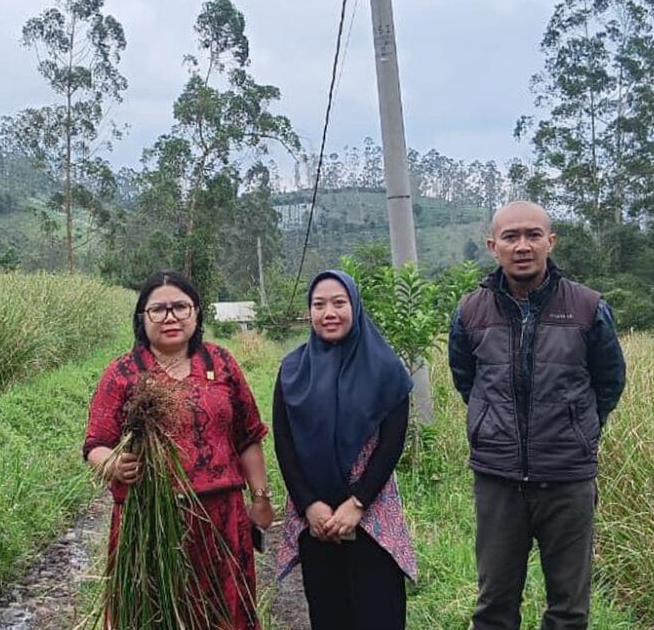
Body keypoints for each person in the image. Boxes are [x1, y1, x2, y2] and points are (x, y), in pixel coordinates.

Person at [449, 201, 626, 630]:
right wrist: (492, 423)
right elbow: (466, 380)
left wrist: (575, 429)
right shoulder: (471, 311)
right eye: (511, 237)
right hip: (499, 480)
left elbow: (609, 381)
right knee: (493, 605)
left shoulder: (587, 308)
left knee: (568, 610)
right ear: (494, 246)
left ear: (551, 241)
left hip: (567, 478)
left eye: (533, 235)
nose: (522, 246)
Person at [83, 270, 274, 629]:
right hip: (152, 522)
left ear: (196, 313)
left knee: (224, 615)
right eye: (158, 310)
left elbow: (248, 435)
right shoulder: (123, 373)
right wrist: (113, 465)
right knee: (154, 613)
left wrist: (261, 498)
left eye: (180, 307)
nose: (170, 317)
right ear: (142, 318)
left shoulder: (221, 363)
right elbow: (96, 444)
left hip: (222, 519)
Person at [273, 269, 418, 630]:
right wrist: (310, 505)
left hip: (370, 515)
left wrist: (357, 503)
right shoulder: (292, 370)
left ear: (355, 305)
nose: (329, 313)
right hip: (316, 519)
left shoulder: (387, 369)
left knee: (379, 612)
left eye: (339, 303)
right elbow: (284, 443)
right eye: (319, 305)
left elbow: (391, 443)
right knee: (328, 614)